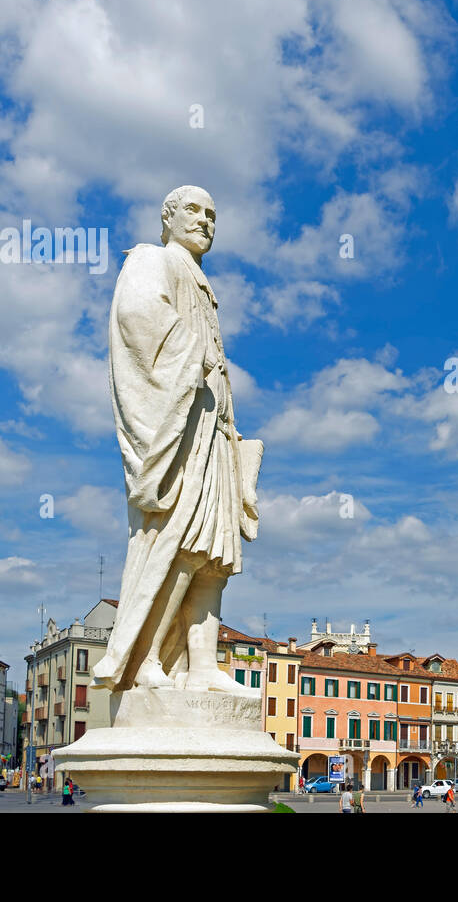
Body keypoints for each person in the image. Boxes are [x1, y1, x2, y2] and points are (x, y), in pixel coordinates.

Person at [91, 186, 264, 696]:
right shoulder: (151, 260)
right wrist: (193, 356)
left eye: (213, 213)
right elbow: (137, 320)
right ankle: (146, 660)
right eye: (193, 210)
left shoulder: (202, 282)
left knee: (215, 553)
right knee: (184, 544)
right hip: (181, 430)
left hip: (212, 431)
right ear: (166, 218)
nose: (205, 220)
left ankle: (203, 667)